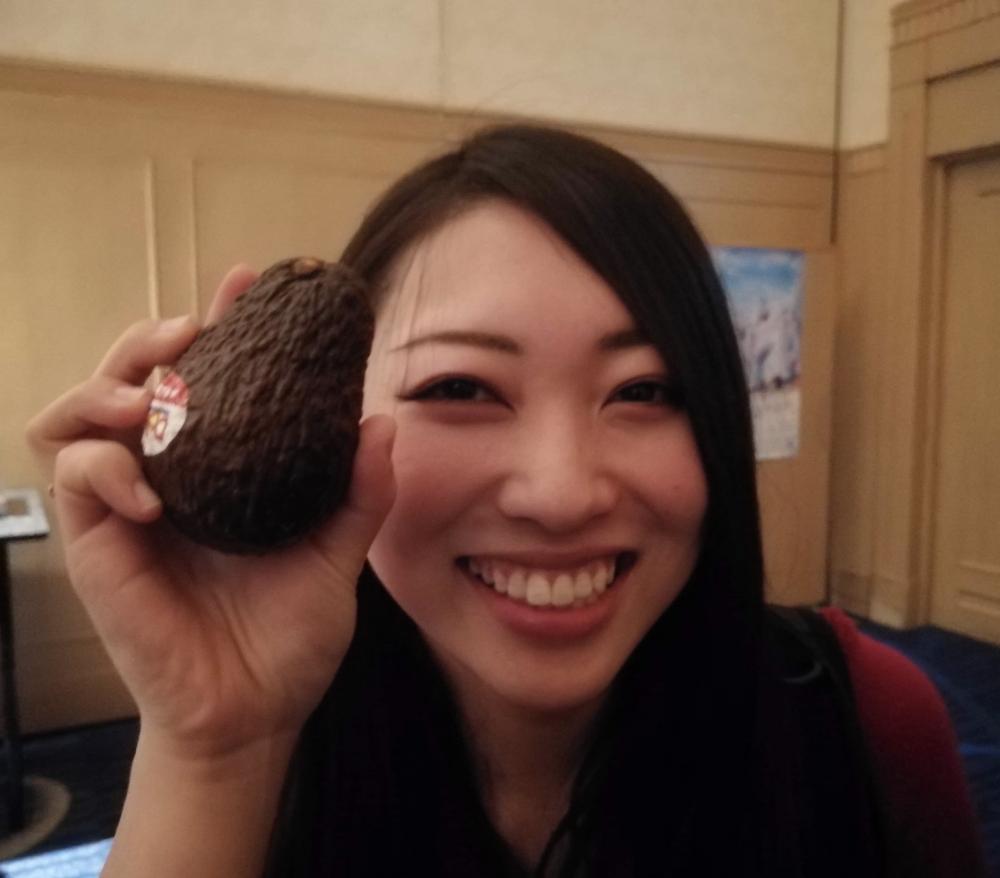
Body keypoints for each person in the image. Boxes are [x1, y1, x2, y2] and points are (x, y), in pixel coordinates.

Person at [26, 124, 985, 877]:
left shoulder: (870, 722)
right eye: (460, 388)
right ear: (334, 420)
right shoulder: (260, 750)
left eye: (645, 390)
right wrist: (211, 749)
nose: (561, 494)